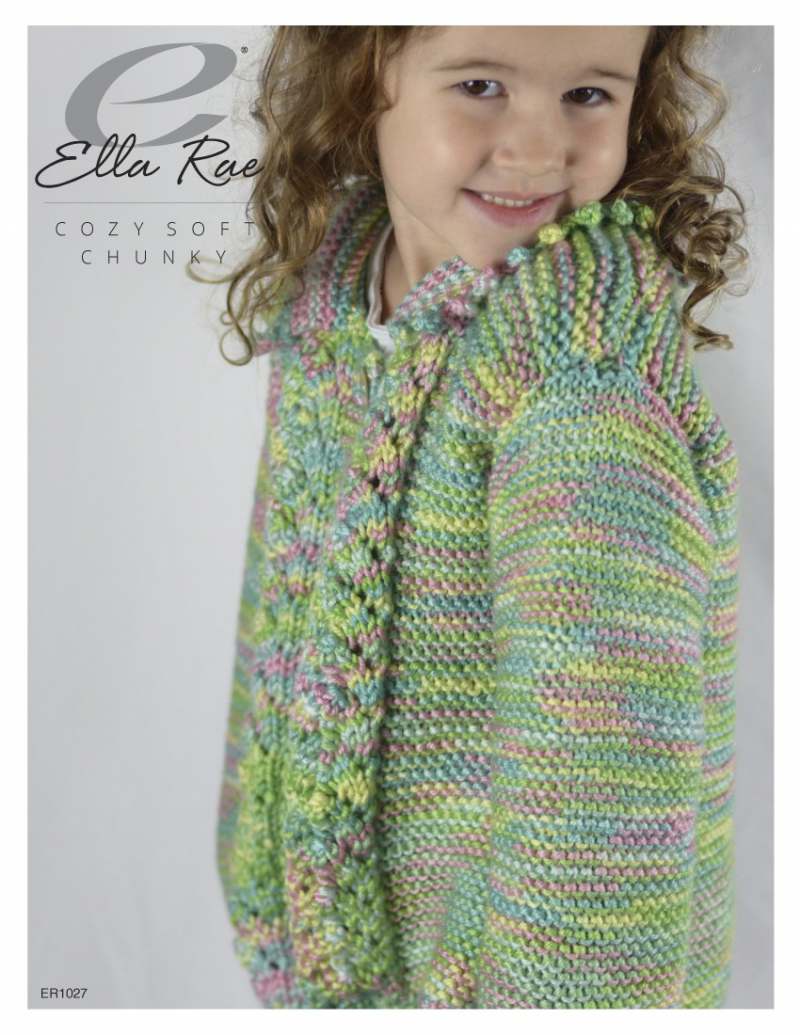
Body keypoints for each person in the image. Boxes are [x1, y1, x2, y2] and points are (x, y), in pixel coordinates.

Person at [206, 25, 747, 1009]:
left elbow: (600, 800)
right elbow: (278, 597)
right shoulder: (337, 289)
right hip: (335, 955)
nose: (537, 150)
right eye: (482, 86)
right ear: (364, 71)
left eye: (588, 95)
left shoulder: (576, 382)